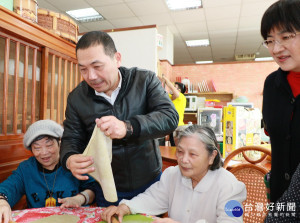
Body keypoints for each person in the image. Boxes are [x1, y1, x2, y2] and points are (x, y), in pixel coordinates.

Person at [60, 31, 179, 207]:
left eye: (97, 66)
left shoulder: (144, 80)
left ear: (117, 59)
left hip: (149, 183)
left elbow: (169, 117)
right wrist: (69, 158)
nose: (90, 76)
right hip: (107, 188)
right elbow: (71, 138)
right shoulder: (77, 98)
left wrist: (128, 127)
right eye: (83, 69)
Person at [101, 125, 247, 223]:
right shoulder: (172, 175)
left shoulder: (230, 186)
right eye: (180, 151)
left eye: (193, 154)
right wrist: (126, 207)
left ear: (212, 156)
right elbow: (152, 198)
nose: (183, 160)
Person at [0, 120, 96, 223]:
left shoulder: (74, 162)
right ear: (31, 150)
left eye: (49, 145)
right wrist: (2, 202)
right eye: (37, 147)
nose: (44, 153)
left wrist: (79, 199)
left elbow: (94, 189)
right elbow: (8, 187)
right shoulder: (26, 169)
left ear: (60, 143)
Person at [261, 0, 300, 203]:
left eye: (285, 37)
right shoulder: (271, 85)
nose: (276, 49)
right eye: (269, 40)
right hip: (279, 200)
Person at [161, 75, 186, 146]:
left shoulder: (181, 97)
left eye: (175, 87)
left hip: (178, 128)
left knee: (177, 147)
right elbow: (161, 92)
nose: (173, 88)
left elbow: (170, 86)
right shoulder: (171, 97)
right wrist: (162, 82)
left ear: (179, 91)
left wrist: (165, 78)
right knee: (173, 147)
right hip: (171, 127)